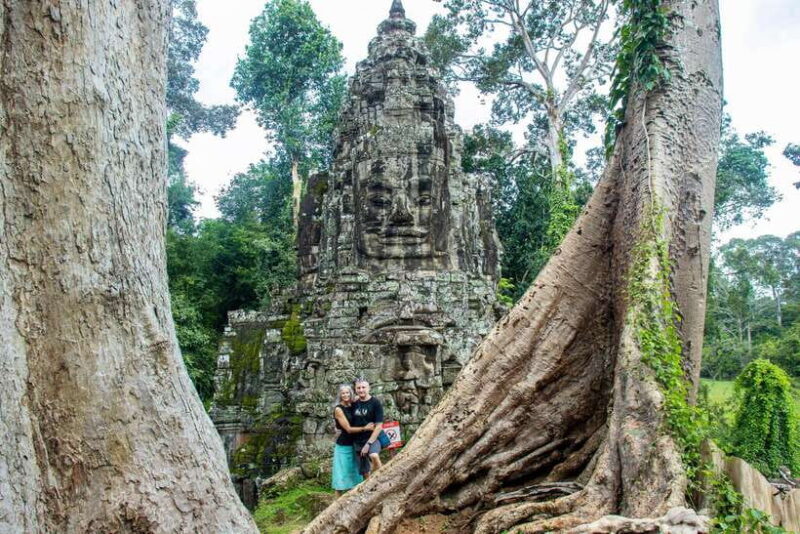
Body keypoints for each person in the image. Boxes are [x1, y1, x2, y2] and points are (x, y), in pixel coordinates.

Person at [331, 384, 373, 496]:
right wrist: (365, 428)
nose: (345, 395)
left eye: (347, 392)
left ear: (351, 393)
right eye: (343, 393)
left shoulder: (353, 405)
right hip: (344, 446)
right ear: (340, 395)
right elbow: (348, 429)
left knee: (356, 476)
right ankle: (336, 508)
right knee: (341, 477)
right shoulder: (338, 409)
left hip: (355, 444)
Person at [351, 378, 384, 478]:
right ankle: (370, 488)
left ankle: (383, 477)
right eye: (358, 388)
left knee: (374, 455)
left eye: (363, 387)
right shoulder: (354, 402)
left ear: (369, 388)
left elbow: (379, 426)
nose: (361, 390)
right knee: (365, 472)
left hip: (372, 438)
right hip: (357, 440)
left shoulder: (375, 403)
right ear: (355, 389)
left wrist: (368, 444)